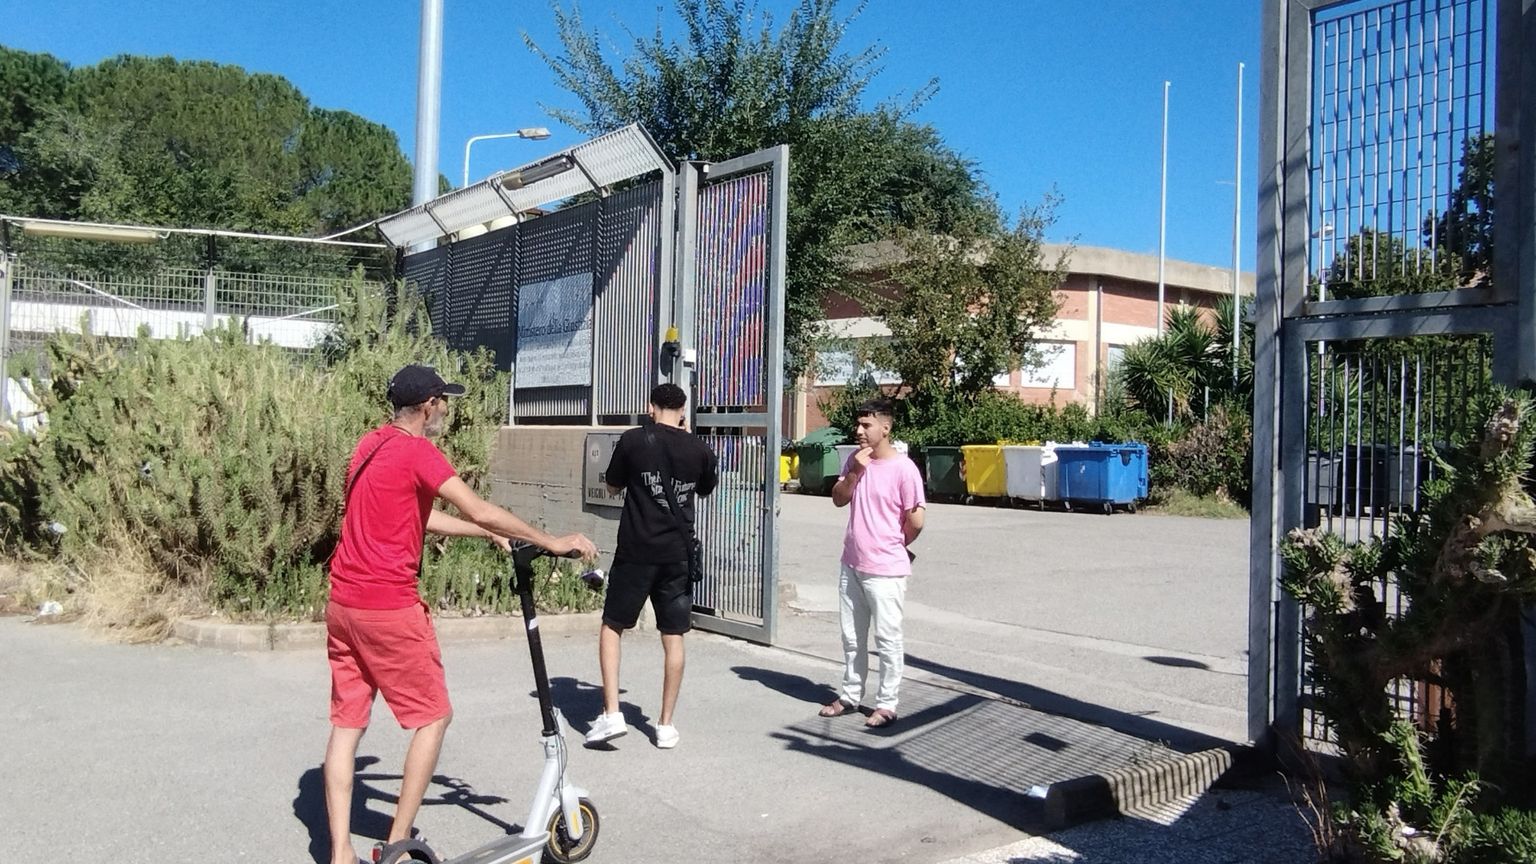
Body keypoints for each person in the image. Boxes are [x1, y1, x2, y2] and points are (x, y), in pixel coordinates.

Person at [323, 363, 597, 864]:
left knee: (347, 726)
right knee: (433, 717)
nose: (446, 409)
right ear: (427, 406)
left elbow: (416, 514)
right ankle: (399, 847)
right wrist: (550, 540)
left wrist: (486, 533)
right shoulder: (418, 452)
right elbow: (481, 507)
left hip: (343, 605)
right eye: (443, 401)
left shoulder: (369, 446)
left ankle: (340, 852)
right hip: (389, 608)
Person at [585, 383, 718, 750]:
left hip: (636, 551)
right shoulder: (701, 450)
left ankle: (612, 713)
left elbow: (612, 486)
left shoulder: (632, 440)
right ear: (683, 410)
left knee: (613, 626)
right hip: (677, 555)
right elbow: (704, 490)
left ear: (650, 407)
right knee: (673, 636)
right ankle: (665, 724)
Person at [818, 398, 925, 728]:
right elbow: (838, 498)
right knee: (852, 636)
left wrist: (895, 543)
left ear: (885, 428)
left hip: (886, 569)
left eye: (867, 425)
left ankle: (887, 703)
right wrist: (855, 472)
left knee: (888, 638)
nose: (859, 430)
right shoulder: (855, 459)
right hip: (851, 562)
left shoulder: (904, 468)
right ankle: (851, 695)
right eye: (859, 424)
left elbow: (916, 519)